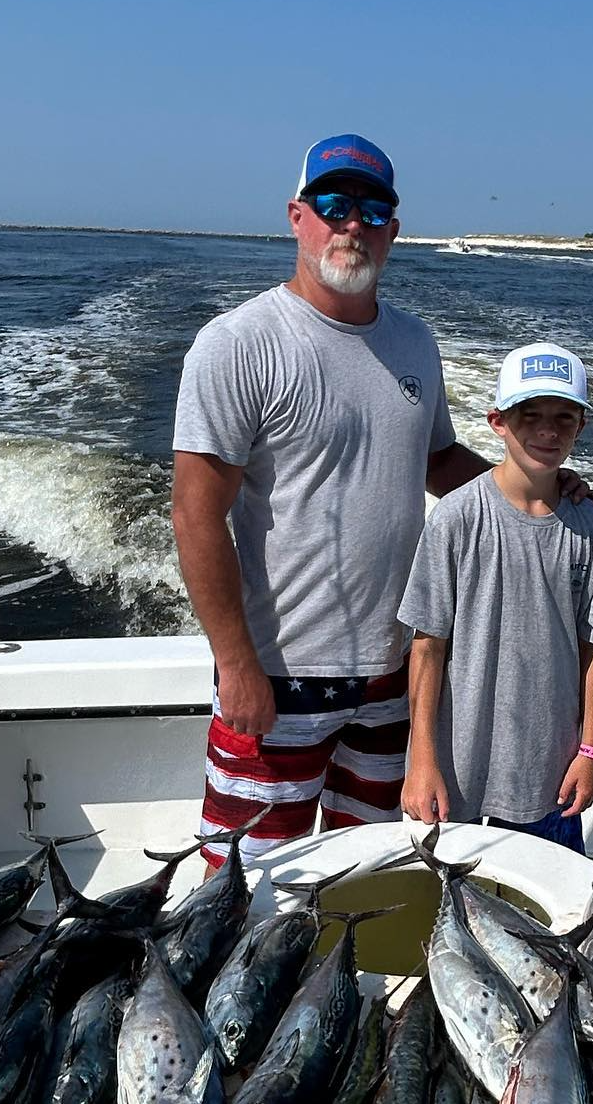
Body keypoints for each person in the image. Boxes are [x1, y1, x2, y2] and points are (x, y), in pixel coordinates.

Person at [171, 134, 496, 868]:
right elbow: (195, 512)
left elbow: (438, 458)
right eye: (335, 204)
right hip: (277, 678)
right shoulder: (238, 344)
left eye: (373, 209)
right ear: (297, 216)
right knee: (250, 890)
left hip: (393, 675)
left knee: (367, 873)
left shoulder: (415, 343)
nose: (354, 223)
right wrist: (236, 666)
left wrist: (533, 494)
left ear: (394, 229)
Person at [398, 343, 593, 853]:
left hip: (550, 775)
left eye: (564, 417)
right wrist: (421, 760)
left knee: (548, 915)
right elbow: (427, 647)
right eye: (531, 415)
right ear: (498, 421)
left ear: (581, 427)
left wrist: (591, 750)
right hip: (454, 776)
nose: (548, 430)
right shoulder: (455, 518)